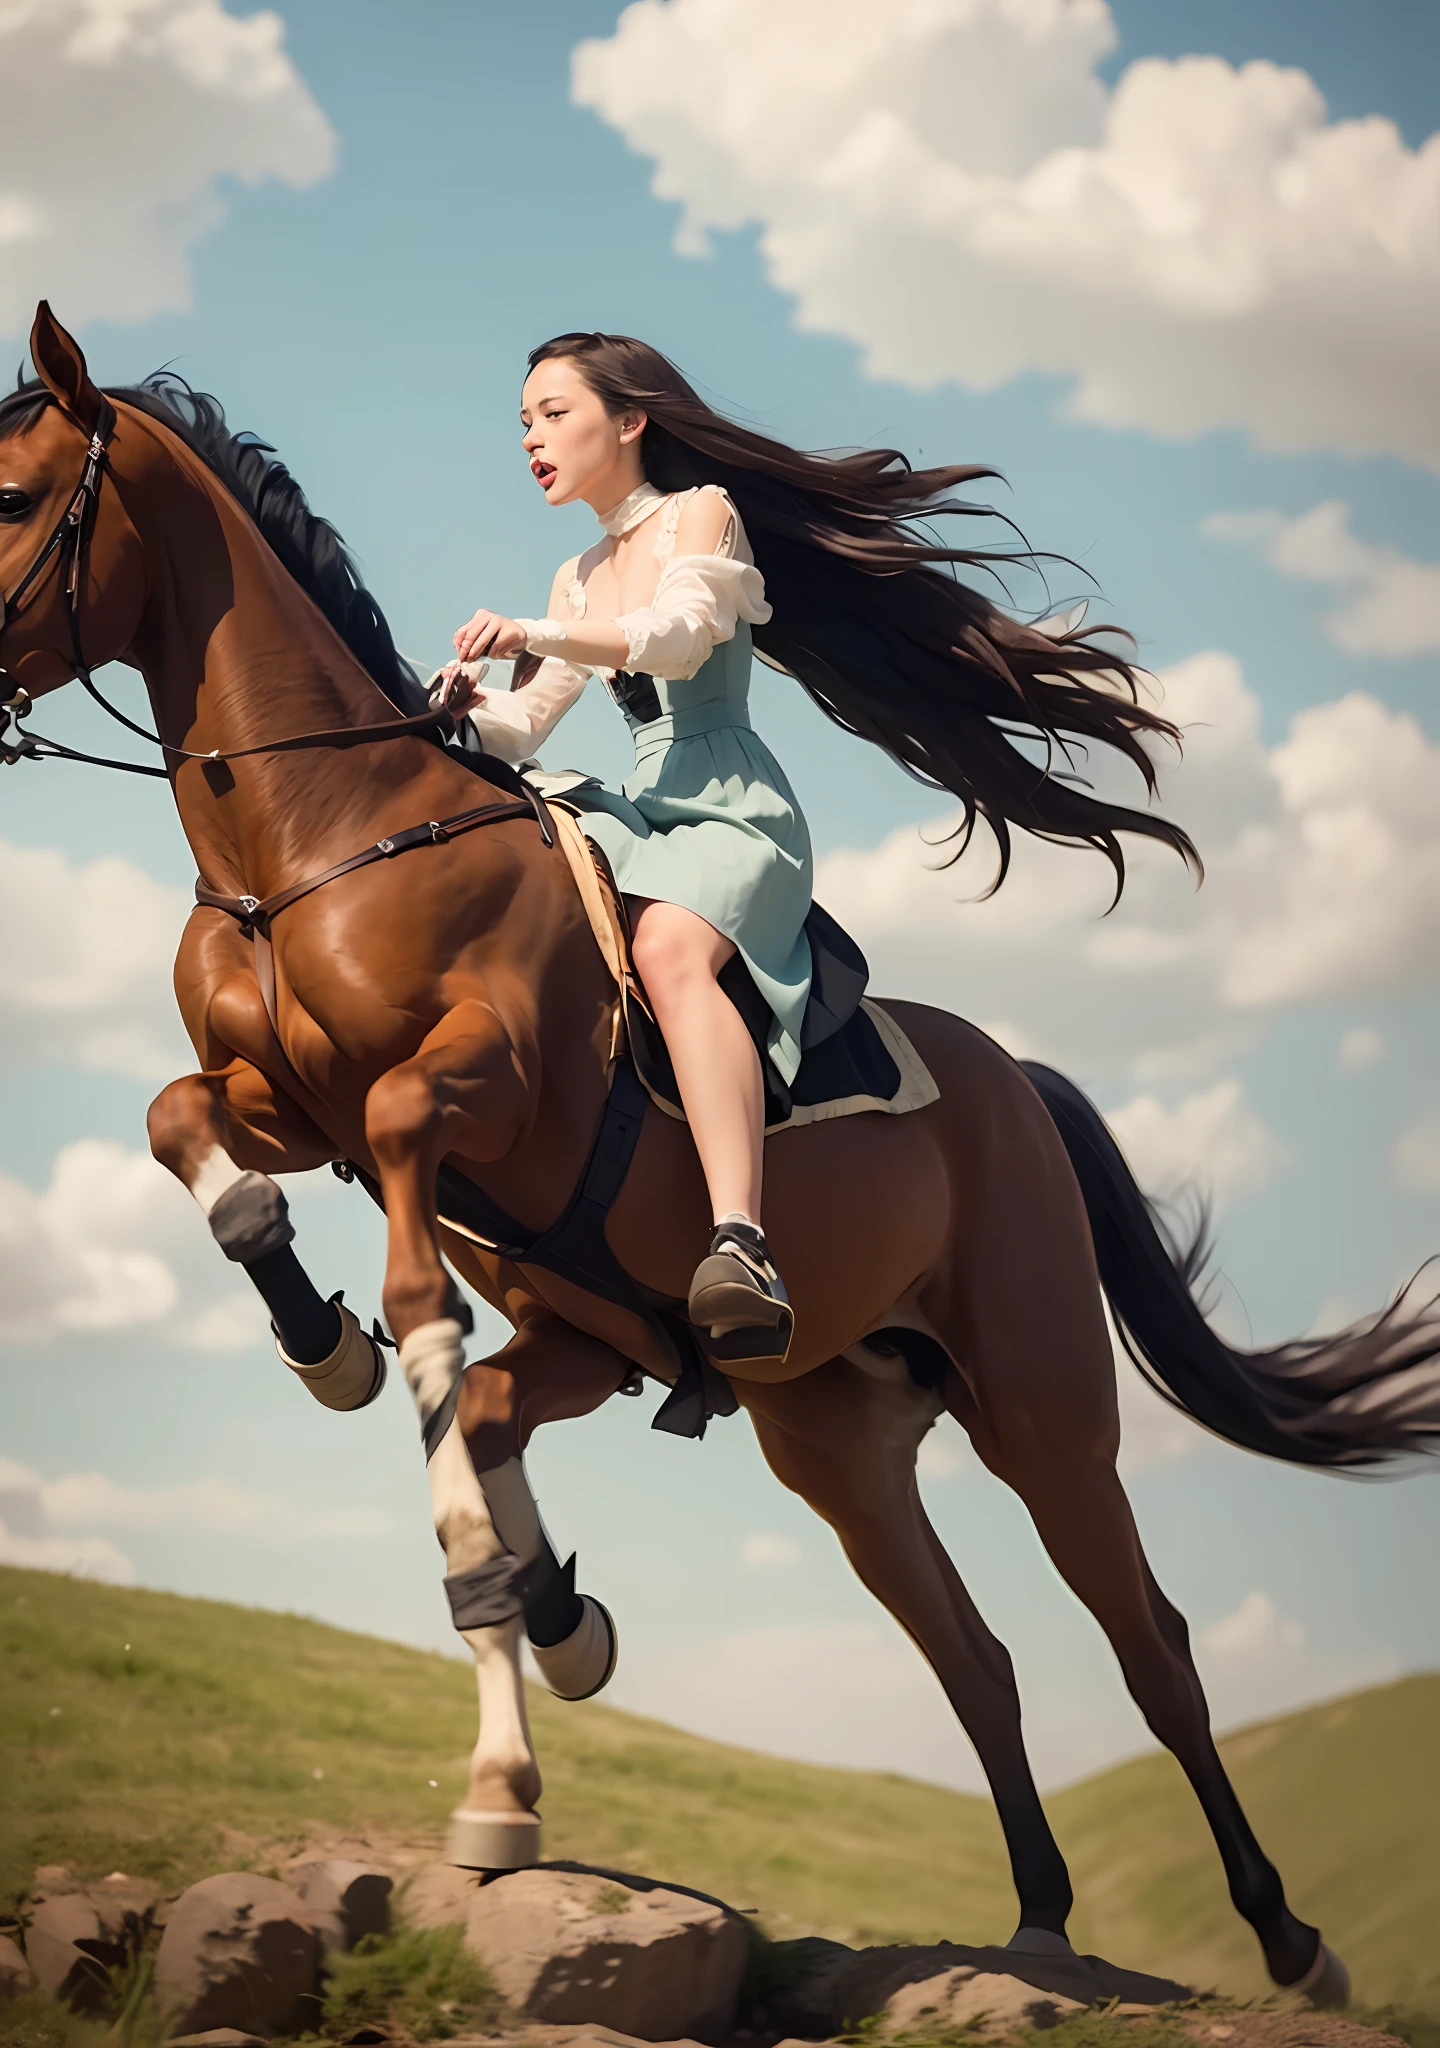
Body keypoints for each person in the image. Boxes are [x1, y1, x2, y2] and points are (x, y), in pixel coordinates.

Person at [436, 332, 1198, 1367]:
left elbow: (678, 638)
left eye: (552, 412)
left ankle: (741, 1239)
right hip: (646, 805)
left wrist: (536, 632)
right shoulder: (576, 574)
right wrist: (455, 715)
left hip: (733, 809)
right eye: (522, 421)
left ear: (629, 420)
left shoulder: (700, 514)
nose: (532, 436)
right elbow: (528, 731)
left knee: (666, 952)